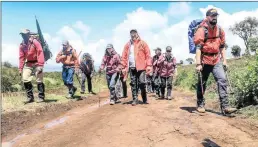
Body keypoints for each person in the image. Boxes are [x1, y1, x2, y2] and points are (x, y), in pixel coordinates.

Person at [194, 8, 237, 114]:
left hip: (216, 60)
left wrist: (225, 61)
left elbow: (222, 47)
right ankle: (200, 104)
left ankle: (225, 107)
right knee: (202, 82)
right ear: (207, 17)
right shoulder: (201, 30)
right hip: (205, 60)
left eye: (216, 16)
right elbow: (198, 48)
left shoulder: (220, 30)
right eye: (212, 16)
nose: (214, 18)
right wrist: (198, 64)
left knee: (222, 80)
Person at [118, 29, 152, 106]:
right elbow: (124, 56)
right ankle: (135, 99)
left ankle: (144, 98)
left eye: (134, 33)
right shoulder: (127, 45)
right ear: (130, 35)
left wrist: (149, 65)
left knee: (142, 83)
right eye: (131, 33)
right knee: (133, 84)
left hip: (141, 67)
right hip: (132, 67)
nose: (133, 35)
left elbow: (148, 55)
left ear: (137, 34)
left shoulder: (143, 43)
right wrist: (122, 66)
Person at [19, 29, 45, 104]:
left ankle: (41, 97)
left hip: (37, 63)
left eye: (24, 34)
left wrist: (40, 65)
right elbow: (21, 57)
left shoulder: (35, 42)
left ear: (28, 34)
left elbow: (40, 52)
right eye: (22, 35)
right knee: (25, 78)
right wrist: (20, 68)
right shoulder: (22, 45)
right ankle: (30, 97)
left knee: (39, 80)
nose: (23, 36)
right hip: (28, 64)